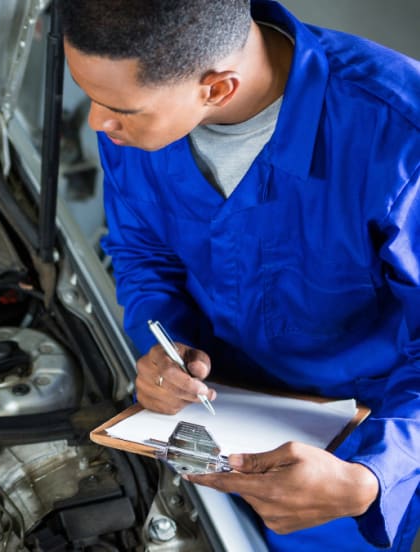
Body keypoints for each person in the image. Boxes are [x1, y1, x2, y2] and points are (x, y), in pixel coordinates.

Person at [59, 0, 419, 550]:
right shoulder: (137, 119)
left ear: (218, 89)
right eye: (90, 96)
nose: (97, 123)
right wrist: (164, 344)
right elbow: (142, 252)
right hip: (206, 417)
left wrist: (373, 476)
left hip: (353, 448)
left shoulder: (400, 138)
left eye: (118, 108)